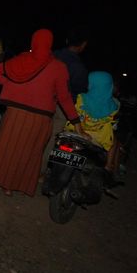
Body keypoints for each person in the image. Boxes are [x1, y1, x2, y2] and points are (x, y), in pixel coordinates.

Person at [0, 29, 87, 197]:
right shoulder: (59, 67)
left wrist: (10, 85)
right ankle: (17, 184)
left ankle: (5, 184)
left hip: (15, 115)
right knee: (29, 152)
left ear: (34, 42)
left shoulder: (21, 59)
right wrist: (77, 123)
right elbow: (65, 98)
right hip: (40, 119)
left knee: (9, 148)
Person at [42, 26, 90, 173]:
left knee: (36, 132)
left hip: (42, 99)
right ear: (83, 45)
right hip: (62, 108)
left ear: (67, 40)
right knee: (50, 138)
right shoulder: (79, 68)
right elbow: (78, 93)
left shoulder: (52, 55)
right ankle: (39, 171)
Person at [65, 71, 120, 172]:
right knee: (113, 143)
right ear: (110, 86)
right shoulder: (114, 105)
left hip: (75, 128)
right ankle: (108, 167)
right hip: (99, 136)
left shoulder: (80, 98)